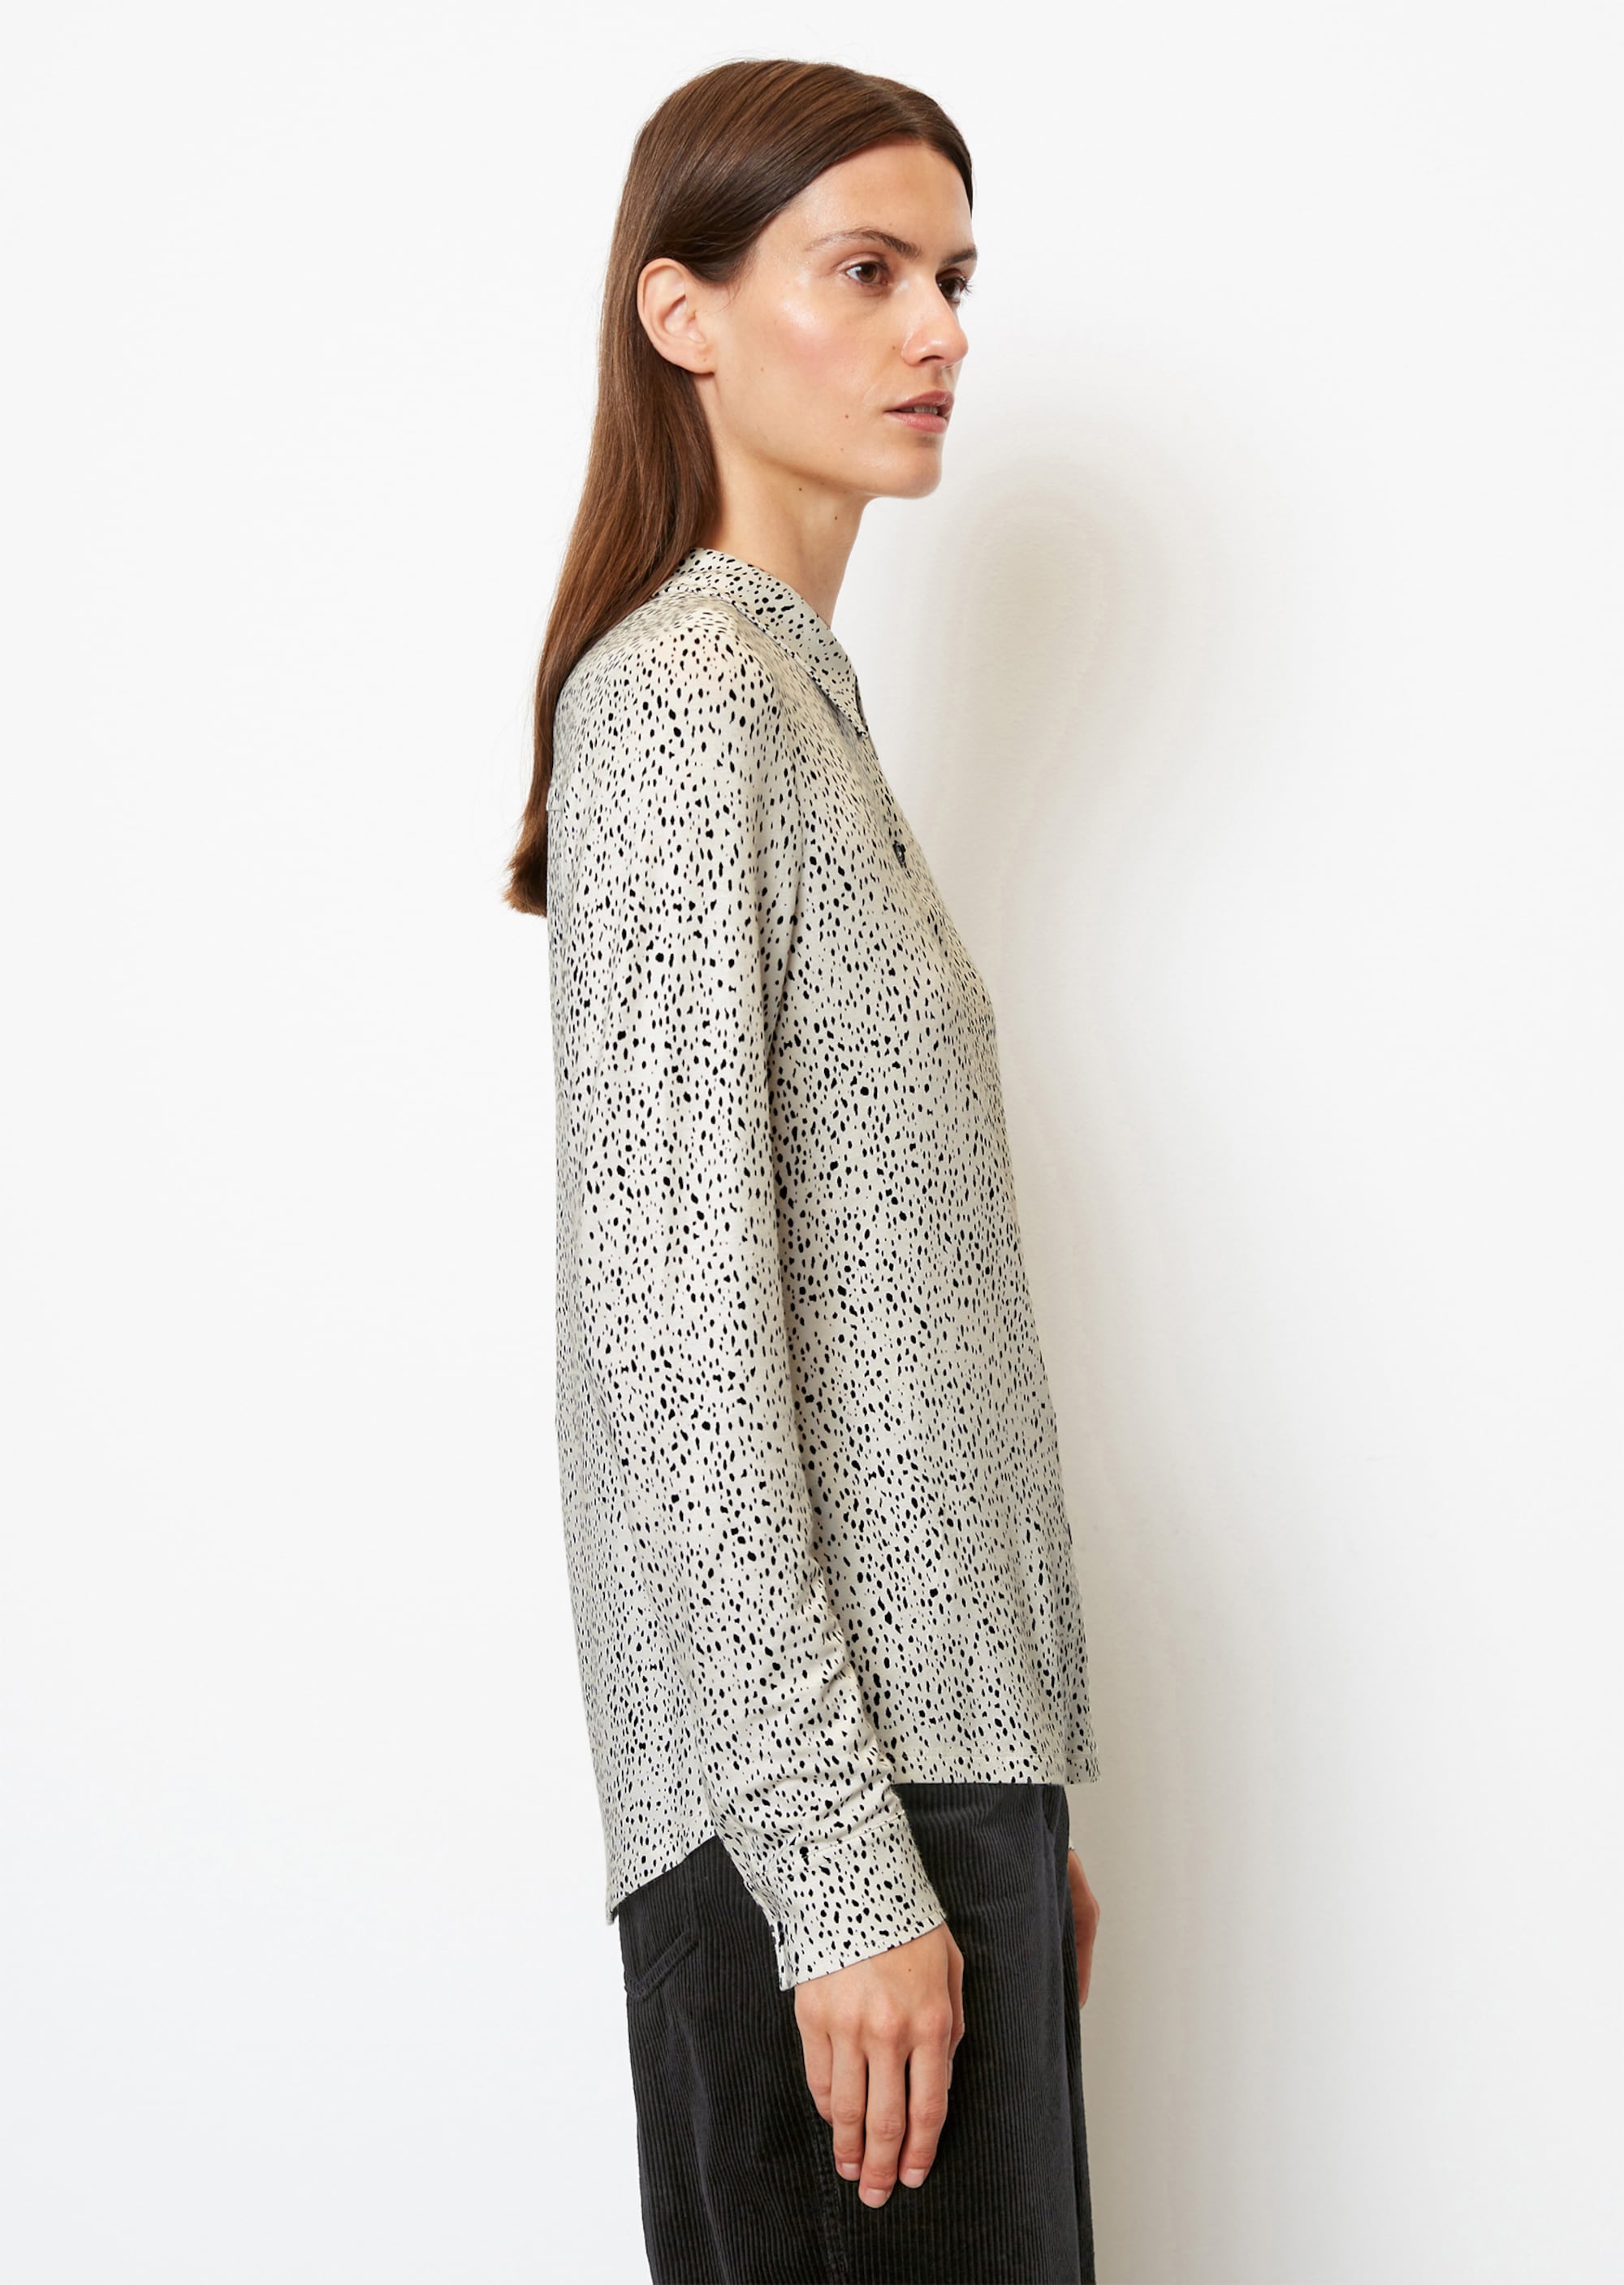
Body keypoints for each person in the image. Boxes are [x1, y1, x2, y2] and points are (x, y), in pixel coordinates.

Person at [506, 55, 1104, 2285]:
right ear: (683, 314)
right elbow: (671, 1337)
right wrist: (852, 1862)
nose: (939, 329)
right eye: (867, 272)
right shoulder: (684, 701)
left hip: (920, 1787)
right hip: (824, 1825)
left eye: (954, 278)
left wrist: (1004, 1797)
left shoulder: (791, 702)